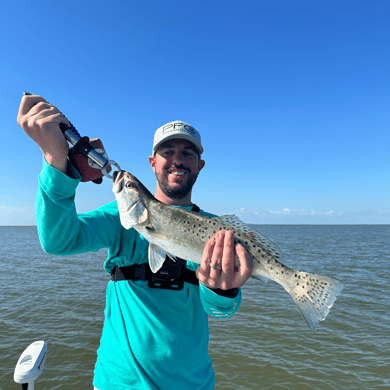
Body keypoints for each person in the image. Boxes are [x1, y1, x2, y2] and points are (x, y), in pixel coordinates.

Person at [17, 94, 253, 390]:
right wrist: (55, 161)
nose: (177, 159)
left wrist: (224, 289)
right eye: (168, 151)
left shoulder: (215, 232)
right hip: (118, 382)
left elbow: (221, 311)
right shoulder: (119, 216)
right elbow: (58, 241)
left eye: (187, 153)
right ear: (153, 163)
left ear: (200, 165)